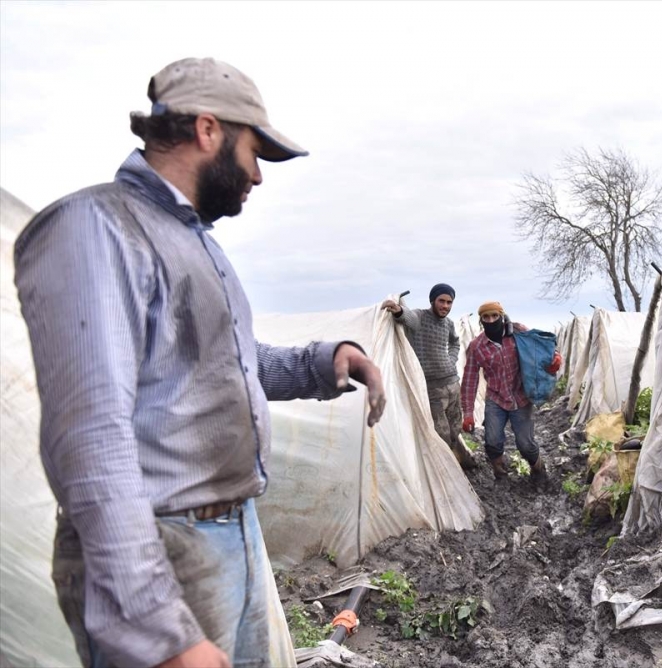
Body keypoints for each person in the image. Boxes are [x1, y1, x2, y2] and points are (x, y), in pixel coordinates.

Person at [14, 57, 386, 668]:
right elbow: (89, 438)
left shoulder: (192, 242)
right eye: (255, 153)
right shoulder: (97, 228)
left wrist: (327, 361)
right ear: (208, 130)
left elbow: (231, 366)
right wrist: (158, 630)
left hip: (230, 535)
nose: (257, 175)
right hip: (163, 548)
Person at [460, 301, 560, 481]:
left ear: (501, 316)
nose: (491, 320)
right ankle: (501, 475)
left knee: (526, 445)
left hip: (520, 397)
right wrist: (468, 413)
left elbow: (539, 348)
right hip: (496, 398)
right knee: (492, 441)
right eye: (486, 317)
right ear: (481, 321)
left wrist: (554, 358)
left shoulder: (518, 332)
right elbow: (469, 379)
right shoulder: (477, 346)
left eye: (494, 316)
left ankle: (538, 470)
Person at [381, 284, 476, 470]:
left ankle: (460, 458)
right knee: (441, 433)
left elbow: (455, 343)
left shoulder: (449, 324)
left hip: (452, 383)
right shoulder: (420, 317)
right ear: (432, 300)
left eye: (449, 302)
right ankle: (447, 469)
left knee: (455, 427)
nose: (445, 306)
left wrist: (451, 360)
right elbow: (407, 317)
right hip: (432, 389)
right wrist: (398, 310)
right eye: (441, 301)